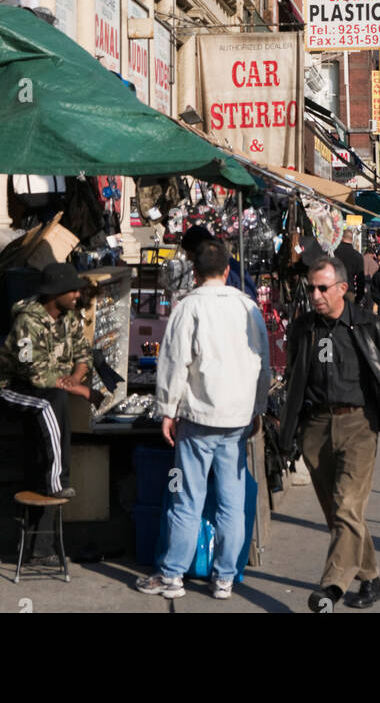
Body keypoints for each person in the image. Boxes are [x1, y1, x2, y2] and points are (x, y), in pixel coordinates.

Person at [135, 238, 270, 601]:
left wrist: (167, 409)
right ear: (227, 271)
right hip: (236, 421)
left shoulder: (188, 307)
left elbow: (174, 362)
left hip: (197, 420)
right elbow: (263, 363)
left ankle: (172, 575)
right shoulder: (248, 307)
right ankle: (224, 578)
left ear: (194, 273)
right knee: (231, 501)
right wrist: (258, 408)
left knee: (186, 498)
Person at [279, 256, 380, 613]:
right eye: (311, 288)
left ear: (342, 288)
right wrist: (289, 433)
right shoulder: (303, 327)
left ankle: (331, 589)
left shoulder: (367, 326)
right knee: (340, 514)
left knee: (347, 507)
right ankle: (369, 577)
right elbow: (295, 380)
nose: (315, 295)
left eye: (323, 288)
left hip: (359, 427)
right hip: (316, 429)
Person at [0, 261, 92, 496]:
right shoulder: (27, 323)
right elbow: (32, 373)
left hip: (47, 386)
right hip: (13, 387)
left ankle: (51, 479)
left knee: (56, 398)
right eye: (72, 290)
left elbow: (83, 352)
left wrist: (76, 377)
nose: (78, 295)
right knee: (50, 404)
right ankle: (56, 483)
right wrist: (81, 390)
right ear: (55, 293)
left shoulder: (69, 316)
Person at [334, 230, 365, 304]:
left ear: (341, 238)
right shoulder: (357, 256)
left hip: (335, 290)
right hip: (349, 291)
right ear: (352, 239)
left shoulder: (334, 252)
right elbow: (360, 278)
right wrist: (359, 296)